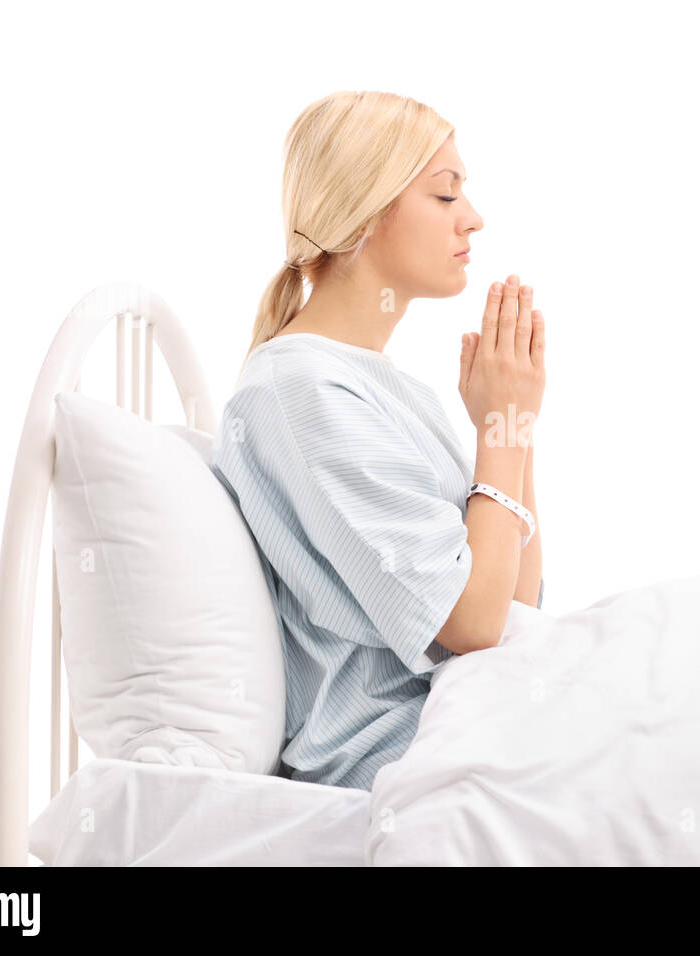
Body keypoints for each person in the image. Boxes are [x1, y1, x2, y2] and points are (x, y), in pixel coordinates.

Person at [211, 91, 546, 791]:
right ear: (366, 214)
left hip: (475, 723)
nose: (473, 218)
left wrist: (514, 422)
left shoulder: (381, 388)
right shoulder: (299, 392)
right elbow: (473, 622)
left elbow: (519, 601)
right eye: (445, 194)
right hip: (404, 755)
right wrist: (497, 430)